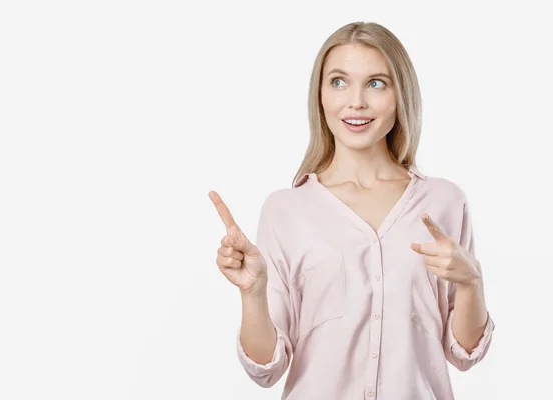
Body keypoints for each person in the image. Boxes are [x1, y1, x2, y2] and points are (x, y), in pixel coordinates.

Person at [208, 21, 494, 400]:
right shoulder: (285, 210)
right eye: (339, 82)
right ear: (321, 95)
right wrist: (253, 292)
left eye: (376, 83)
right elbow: (267, 368)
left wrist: (471, 282)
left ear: (400, 95)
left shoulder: (444, 202)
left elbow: (465, 354)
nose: (355, 101)